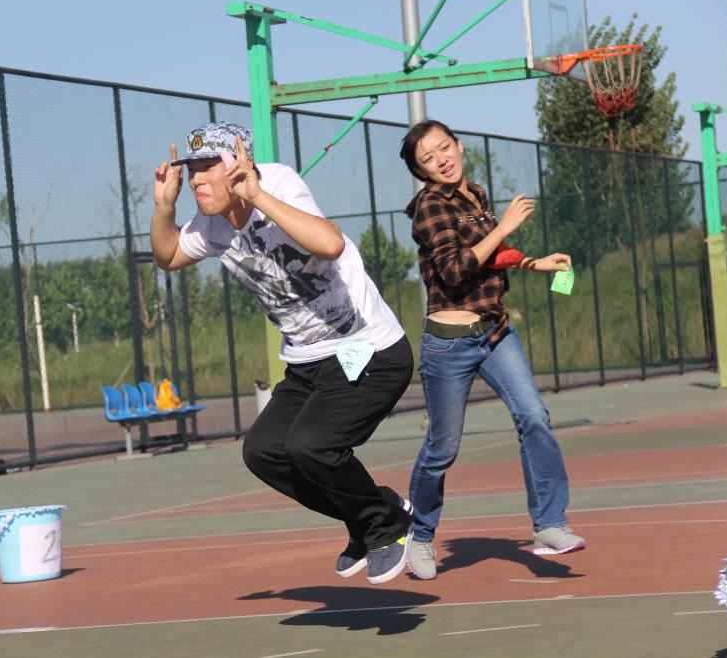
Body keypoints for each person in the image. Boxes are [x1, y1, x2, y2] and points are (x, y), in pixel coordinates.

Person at [151, 122, 415, 584]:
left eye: (208, 166)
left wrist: (257, 197)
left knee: (310, 446)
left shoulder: (277, 183)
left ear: (239, 164)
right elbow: (168, 256)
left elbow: (330, 243)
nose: (196, 180)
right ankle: (372, 513)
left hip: (366, 348)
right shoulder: (211, 225)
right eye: (191, 170)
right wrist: (164, 208)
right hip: (307, 360)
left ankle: (384, 525)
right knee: (263, 451)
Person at [400, 119, 586, 581]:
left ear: (459, 146)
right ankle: (419, 535)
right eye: (428, 158)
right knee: (442, 448)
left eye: (444, 148)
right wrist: (503, 226)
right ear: (421, 171)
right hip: (449, 344)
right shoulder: (429, 207)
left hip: (496, 332)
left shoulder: (476, 195)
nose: (441, 160)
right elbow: (456, 269)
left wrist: (533, 262)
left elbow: (493, 253)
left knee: (534, 416)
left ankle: (549, 524)